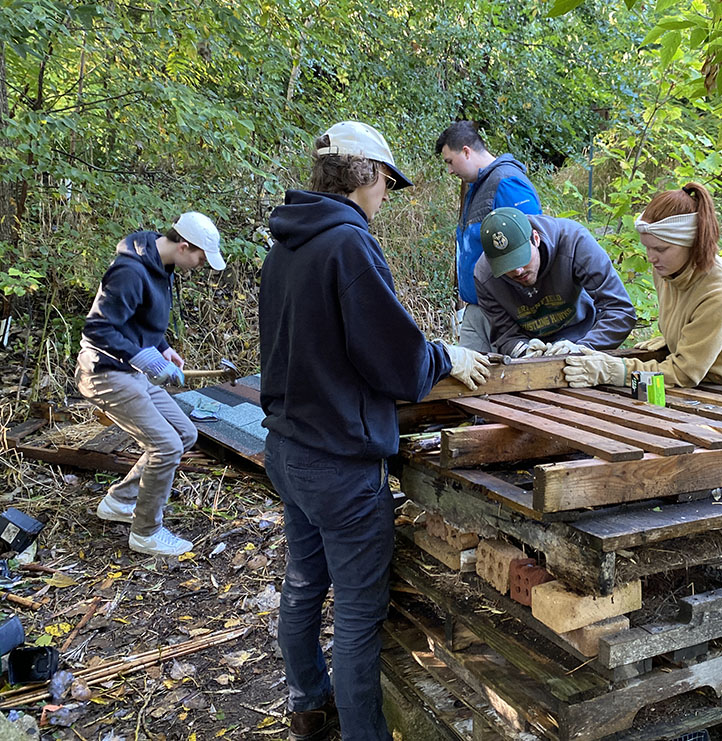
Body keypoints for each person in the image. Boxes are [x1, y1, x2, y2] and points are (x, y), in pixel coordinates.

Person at [258, 121, 489, 741]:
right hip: (338, 463)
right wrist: (444, 357)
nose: (387, 194)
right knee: (359, 617)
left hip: (288, 449)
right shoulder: (348, 244)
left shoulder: (286, 245)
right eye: (387, 181)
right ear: (367, 175)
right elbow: (394, 361)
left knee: (304, 584)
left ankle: (308, 703)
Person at [75, 212, 226, 557]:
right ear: (184, 246)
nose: (199, 266)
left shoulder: (161, 267)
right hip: (105, 373)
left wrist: (162, 349)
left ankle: (120, 502)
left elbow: (140, 322)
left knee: (184, 434)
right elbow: (97, 330)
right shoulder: (129, 271)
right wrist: (143, 359)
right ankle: (146, 533)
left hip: (131, 371)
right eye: (200, 259)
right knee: (167, 446)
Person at [564, 183, 722, 394]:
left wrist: (615, 371)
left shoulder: (720, 293)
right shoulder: (667, 269)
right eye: (648, 247)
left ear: (691, 243)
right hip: (706, 389)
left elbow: (684, 375)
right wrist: (679, 340)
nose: (651, 257)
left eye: (661, 248)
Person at [435, 120, 541, 352]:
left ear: (466, 151)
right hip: (476, 309)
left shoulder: (506, 183)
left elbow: (532, 246)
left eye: (450, 162)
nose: (450, 170)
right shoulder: (475, 186)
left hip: (503, 311)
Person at [475, 207, 636, 358]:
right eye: (507, 266)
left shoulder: (575, 242)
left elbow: (620, 310)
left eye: (522, 259)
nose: (518, 271)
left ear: (535, 238)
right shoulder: (485, 276)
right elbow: (505, 335)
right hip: (534, 351)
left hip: (584, 336)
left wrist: (584, 349)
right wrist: (525, 351)